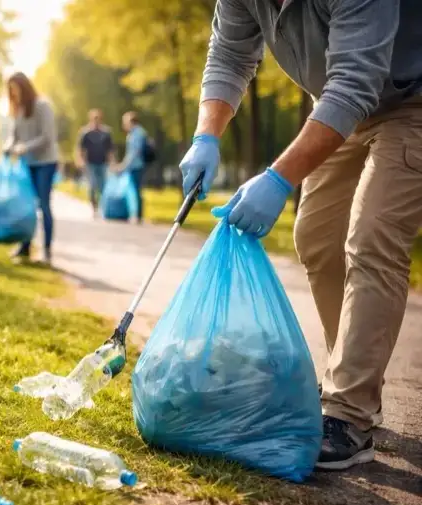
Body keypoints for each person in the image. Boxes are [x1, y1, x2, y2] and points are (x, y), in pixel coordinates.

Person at [179, 0, 422, 471]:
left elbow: (356, 80)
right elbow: (228, 54)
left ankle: (349, 412)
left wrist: (277, 178)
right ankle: (352, 380)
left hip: (409, 102)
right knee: (316, 238)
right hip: (337, 103)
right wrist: (205, 137)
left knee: (372, 237)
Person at [3, 72, 59, 264]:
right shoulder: (18, 110)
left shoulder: (42, 105)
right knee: (27, 205)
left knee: (43, 204)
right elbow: (14, 135)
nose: (13, 93)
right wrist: (8, 146)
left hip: (45, 162)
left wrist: (25, 147)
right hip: (27, 163)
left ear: (24, 87)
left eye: (15, 89)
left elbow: (47, 136)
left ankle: (47, 250)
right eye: (10, 91)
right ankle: (25, 247)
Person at [75, 109, 114, 215]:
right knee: (92, 185)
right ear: (91, 119)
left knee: (103, 185)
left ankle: (102, 207)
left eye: (98, 118)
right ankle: (94, 207)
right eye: (94, 118)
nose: (96, 121)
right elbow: (80, 148)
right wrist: (80, 160)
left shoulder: (106, 133)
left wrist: (112, 162)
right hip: (90, 163)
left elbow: (110, 149)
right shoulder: (85, 133)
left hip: (103, 163)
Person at [114, 111, 148, 224]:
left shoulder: (136, 133)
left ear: (131, 122)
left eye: (125, 122)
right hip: (136, 165)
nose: (124, 125)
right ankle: (136, 214)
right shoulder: (136, 133)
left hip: (136, 165)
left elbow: (134, 153)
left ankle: (137, 216)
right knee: (136, 189)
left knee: (136, 190)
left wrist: (123, 165)